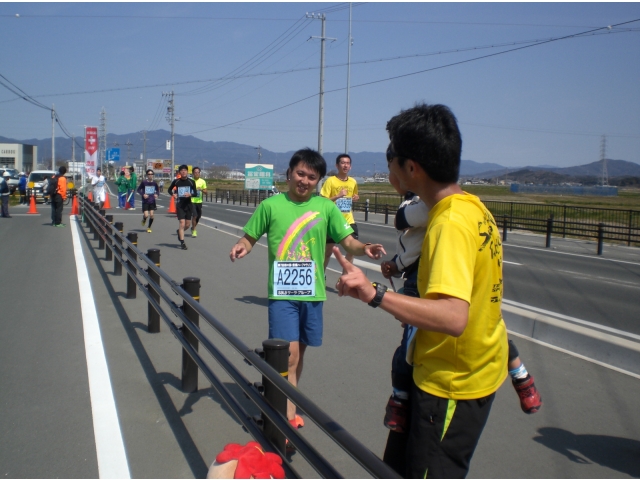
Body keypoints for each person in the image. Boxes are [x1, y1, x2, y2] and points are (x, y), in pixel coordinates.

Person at [333, 104, 511, 478]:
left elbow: (453, 316)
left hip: (451, 385)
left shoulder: (449, 223)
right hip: (466, 371)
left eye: (393, 159)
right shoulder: (476, 209)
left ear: (411, 168)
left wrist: (374, 294)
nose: (389, 167)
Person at [229, 148, 386, 427]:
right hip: (282, 294)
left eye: (311, 177)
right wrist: (242, 247)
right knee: (288, 355)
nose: (304, 180)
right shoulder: (271, 206)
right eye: (300, 173)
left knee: (297, 355)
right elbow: (249, 237)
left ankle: (285, 400)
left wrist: (366, 248)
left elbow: (347, 241)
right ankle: (284, 417)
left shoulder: (326, 208)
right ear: (289, 174)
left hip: (313, 292)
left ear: (318, 181)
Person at [320, 154, 360, 272]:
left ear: (350, 166)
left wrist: (355, 198)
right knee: (327, 252)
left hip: (349, 220)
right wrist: (337, 196)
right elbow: (322, 201)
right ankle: (320, 277)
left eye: (347, 163)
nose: (345, 165)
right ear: (337, 165)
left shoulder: (353, 182)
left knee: (351, 251)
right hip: (333, 221)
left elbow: (353, 196)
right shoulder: (330, 181)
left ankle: (345, 278)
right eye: (342, 163)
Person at [168, 164, 197, 250]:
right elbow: (169, 189)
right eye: (182, 170)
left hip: (188, 205)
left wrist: (190, 194)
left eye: (185, 170)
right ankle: (182, 242)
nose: (183, 171)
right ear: (180, 172)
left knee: (187, 225)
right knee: (182, 223)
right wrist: (173, 194)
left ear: (187, 172)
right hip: (180, 205)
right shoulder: (176, 181)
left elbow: (195, 193)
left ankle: (179, 232)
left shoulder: (192, 182)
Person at [137, 169, 159, 233]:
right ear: (147, 175)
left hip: (152, 201)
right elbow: (138, 190)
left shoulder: (154, 183)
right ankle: (144, 219)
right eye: (149, 174)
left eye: (151, 174)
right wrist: (143, 194)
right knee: (146, 215)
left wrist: (156, 194)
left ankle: (149, 227)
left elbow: (157, 190)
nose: (150, 175)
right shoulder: (144, 182)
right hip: (145, 201)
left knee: (152, 215)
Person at [189, 167, 207, 238]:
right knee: (195, 215)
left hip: (199, 201)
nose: (197, 174)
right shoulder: (190, 181)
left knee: (199, 216)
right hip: (192, 201)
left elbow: (206, 192)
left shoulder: (202, 181)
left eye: (198, 172)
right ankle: (194, 231)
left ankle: (193, 227)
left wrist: (201, 189)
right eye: (195, 172)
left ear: (200, 173)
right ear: (193, 173)